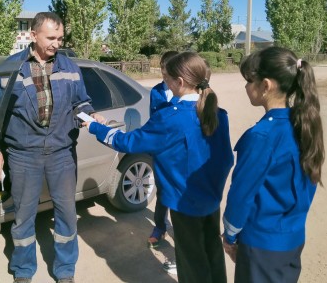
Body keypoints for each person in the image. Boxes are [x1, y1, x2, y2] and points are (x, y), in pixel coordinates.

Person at [84, 51, 234, 283]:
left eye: (167, 79)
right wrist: (212, 190)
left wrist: (95, 128)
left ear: (180, 82)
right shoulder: (217, 113)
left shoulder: (171, 117)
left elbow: (129, 142)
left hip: (185, 204)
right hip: (211, 202)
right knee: (212, 254)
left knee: (192, 263)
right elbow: (226, 160)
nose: (165, 83)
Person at [0, 12, 104, 283]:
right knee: (23, 217)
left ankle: (65, 271)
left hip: (61, 153)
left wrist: (91, 115)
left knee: (67, 215)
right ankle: (23, 271)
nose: (57, 43)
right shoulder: (11, 68)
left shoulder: (69, 67)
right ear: (33, 35)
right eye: (51, 37)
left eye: (60, 38)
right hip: (22, 155)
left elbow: (81, 102)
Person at [222, 47, 325, 283]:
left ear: (266, 85)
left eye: (249, 80)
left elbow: (241, 195)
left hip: (262, 245)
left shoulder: (262, 136)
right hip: (291, 237)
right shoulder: (303, 123)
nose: (246, 87)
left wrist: (230, 234)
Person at [148, 50, 178, 250]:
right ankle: (160, 227)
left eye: (167, 72)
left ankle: (181, 230)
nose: (163, 76)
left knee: (178, 192)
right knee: (162, 192)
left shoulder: (186, 93)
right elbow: (154, 121)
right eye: (162, 70)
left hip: (179, 152)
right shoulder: (156, 91)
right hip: (162, 152)